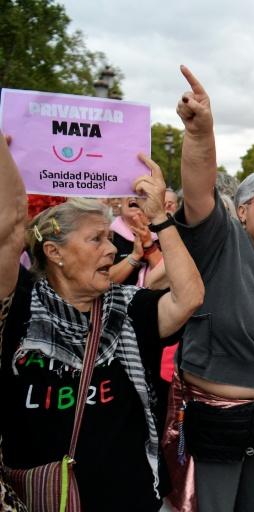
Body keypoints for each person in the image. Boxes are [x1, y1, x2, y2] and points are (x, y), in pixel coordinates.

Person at [0, 131, 204, 511]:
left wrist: (160, 216)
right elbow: (8, 234)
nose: (112, 248)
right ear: (54, 252)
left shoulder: (128, 308)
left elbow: (189, 296)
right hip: (42, 499)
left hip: (131, 497)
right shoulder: (20, 310)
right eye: (96, 239)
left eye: (110, 237)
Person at [166, 66, 254, 511]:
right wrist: (200, 132)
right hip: (214, 422)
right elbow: (197, 190)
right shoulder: (220, 241)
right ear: (243, 210)